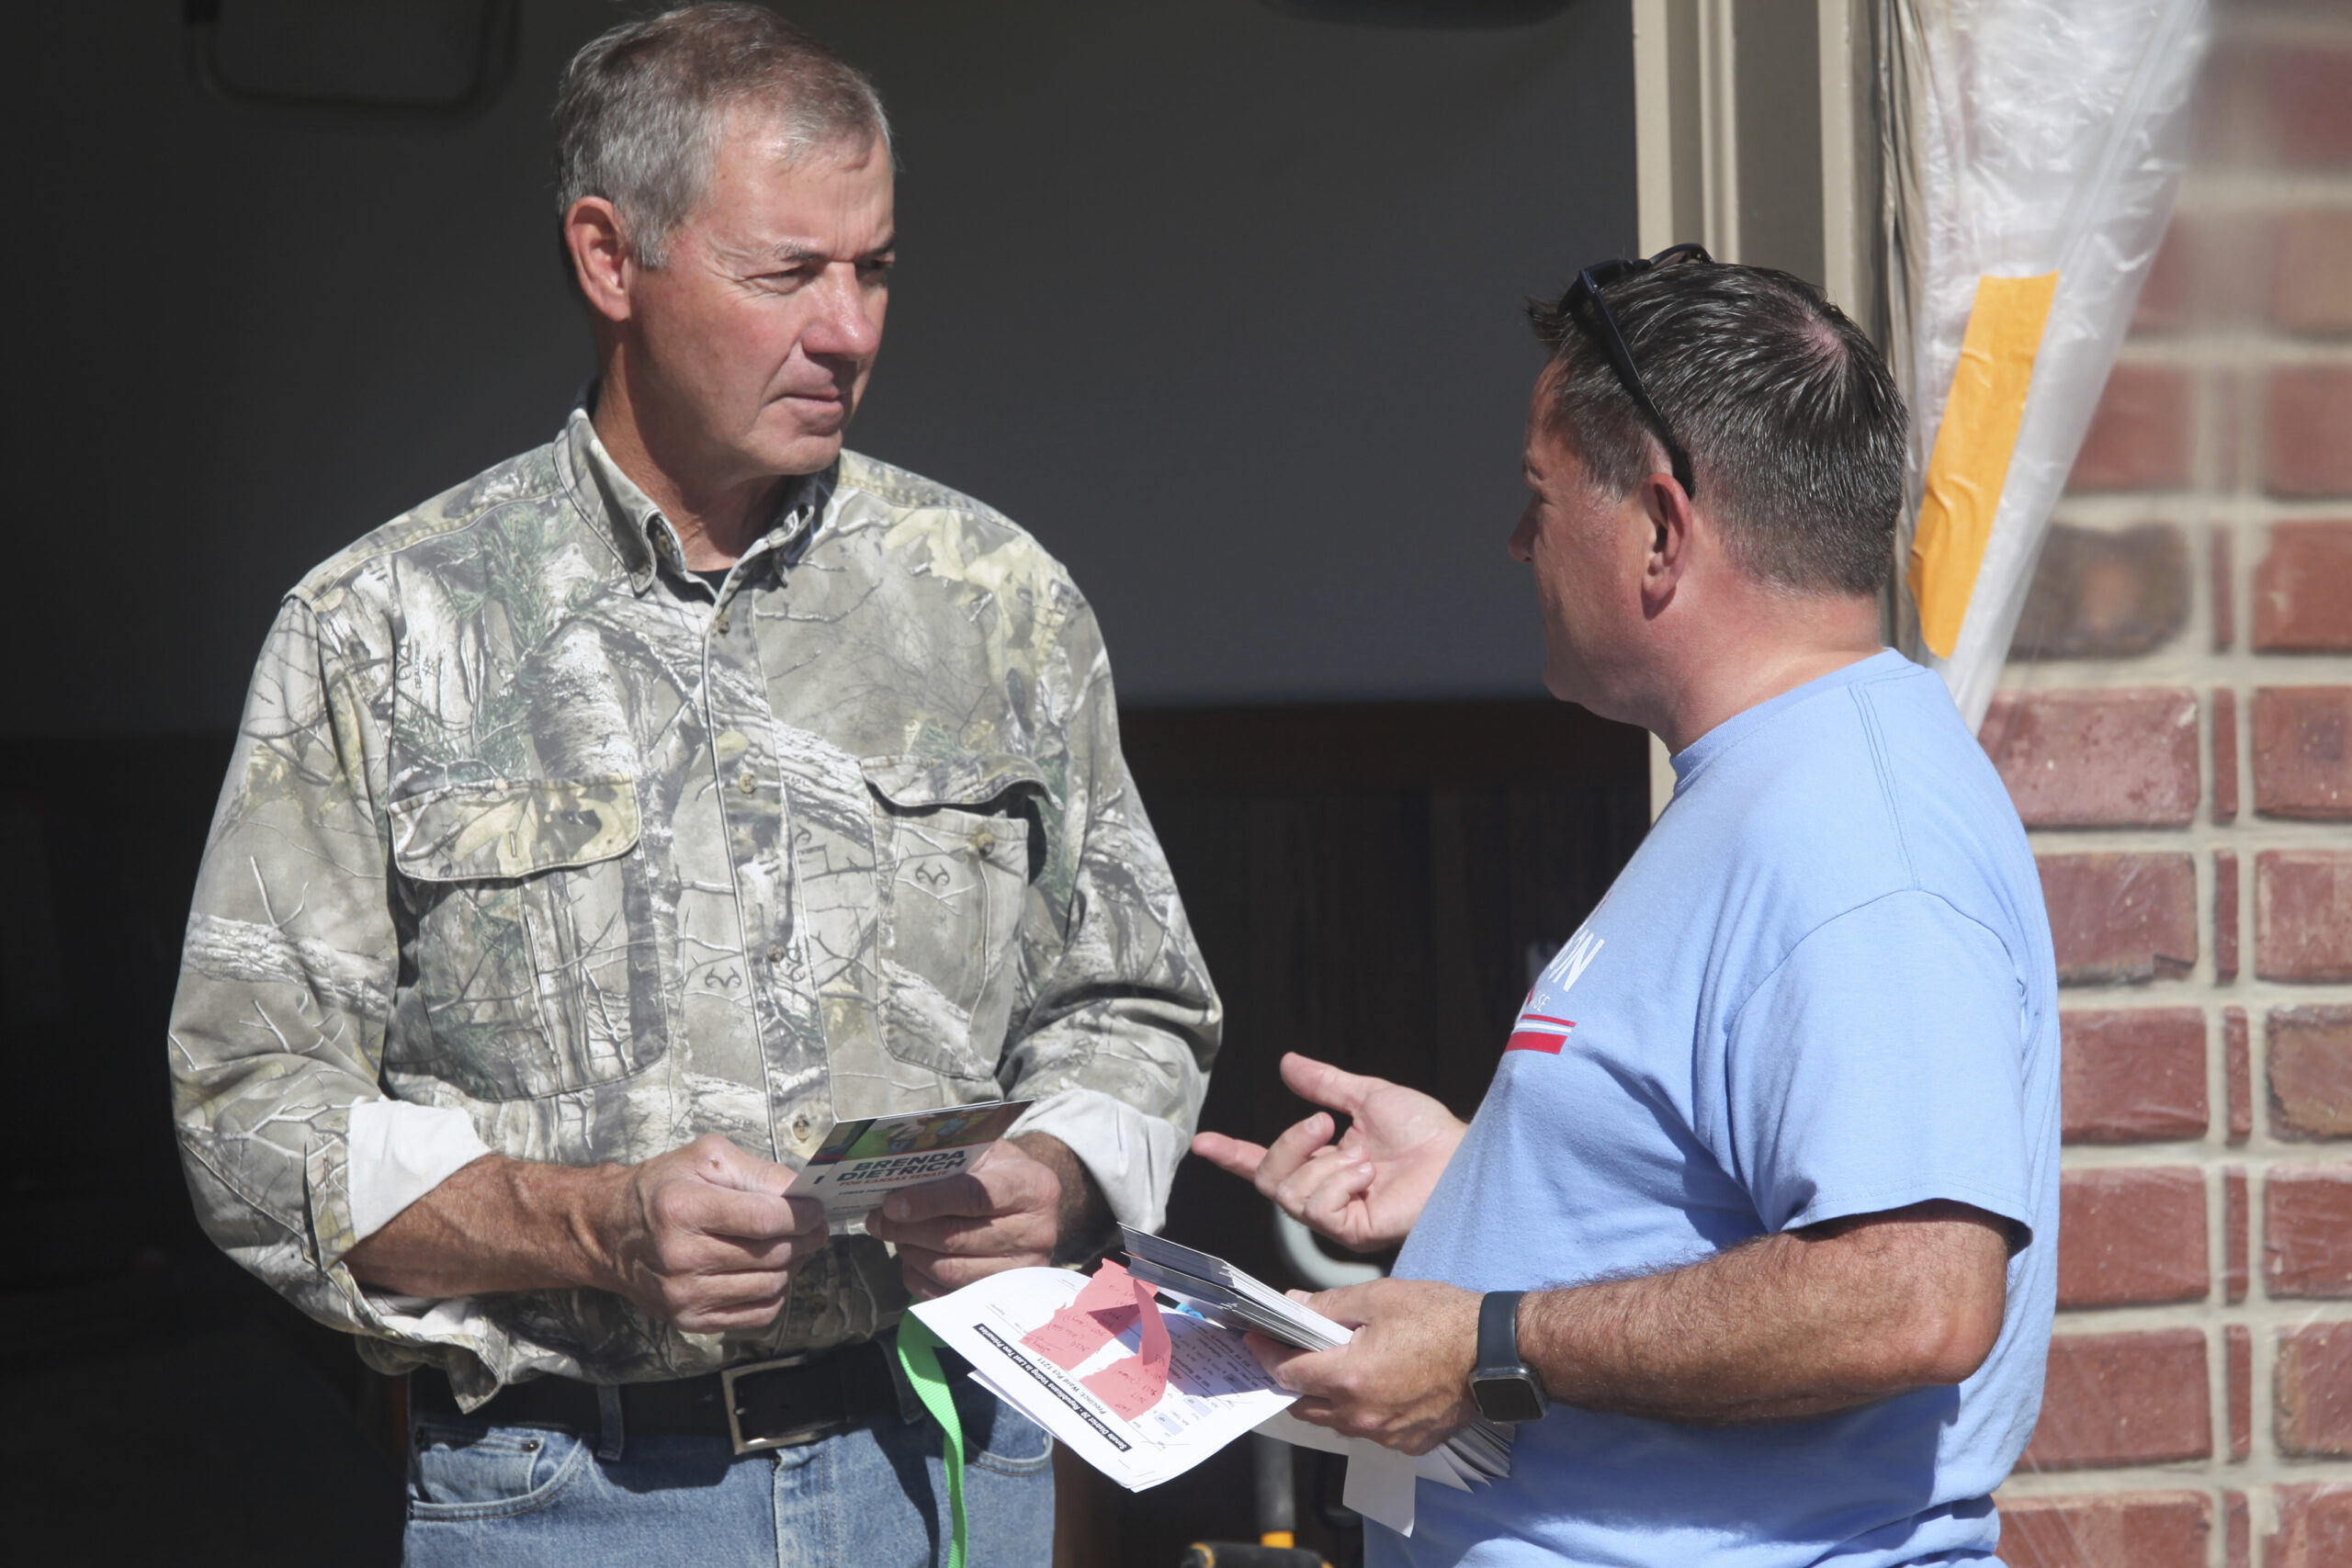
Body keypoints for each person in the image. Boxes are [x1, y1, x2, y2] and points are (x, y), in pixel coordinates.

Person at [166, 7, 1218, 1565]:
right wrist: (589, 1228)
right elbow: (247, 1114)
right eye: (787, 273)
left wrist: (1054, 1175)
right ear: (610, 258)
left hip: (942, 1459)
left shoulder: (994, 598)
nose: (850, 327)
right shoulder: (383, 629)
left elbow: (1138, 1006)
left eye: (874, 270)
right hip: (569, 1497)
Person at [1194, 247, 2058, 1567]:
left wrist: (1486, 1344)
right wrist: (1490, 1175)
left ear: (1660, 526)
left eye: (1541, 500)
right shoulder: (1767, 783)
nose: (1516, 541)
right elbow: (1726, 1178)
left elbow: (1913, 1293)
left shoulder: (1855, 832)